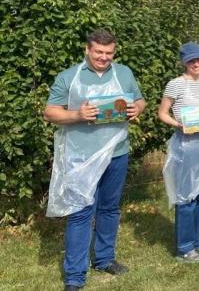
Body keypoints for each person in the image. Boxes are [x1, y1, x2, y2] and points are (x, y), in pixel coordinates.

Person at [44, 29, 146, 291]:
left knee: (110, 209)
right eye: (98, 52)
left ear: (114, 52)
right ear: (87, 50)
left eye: (109, 53)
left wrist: (137, 108)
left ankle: (104, 259)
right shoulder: (69, 77)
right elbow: (50, 112)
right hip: (81, 156)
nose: (103, 57)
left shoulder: (124, 73)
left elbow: (139, 100)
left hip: (117, 152)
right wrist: (77, 115)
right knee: (80, 212)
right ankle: (75, 276)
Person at [158, 42, 199, 263]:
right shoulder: (175, 84)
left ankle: (198, 241)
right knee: (186, 197)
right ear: (184, 62)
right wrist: (178, 124)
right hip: (185, 145)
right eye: (192, 60)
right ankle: (184, 247)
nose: (197, 64)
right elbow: (162, 113)